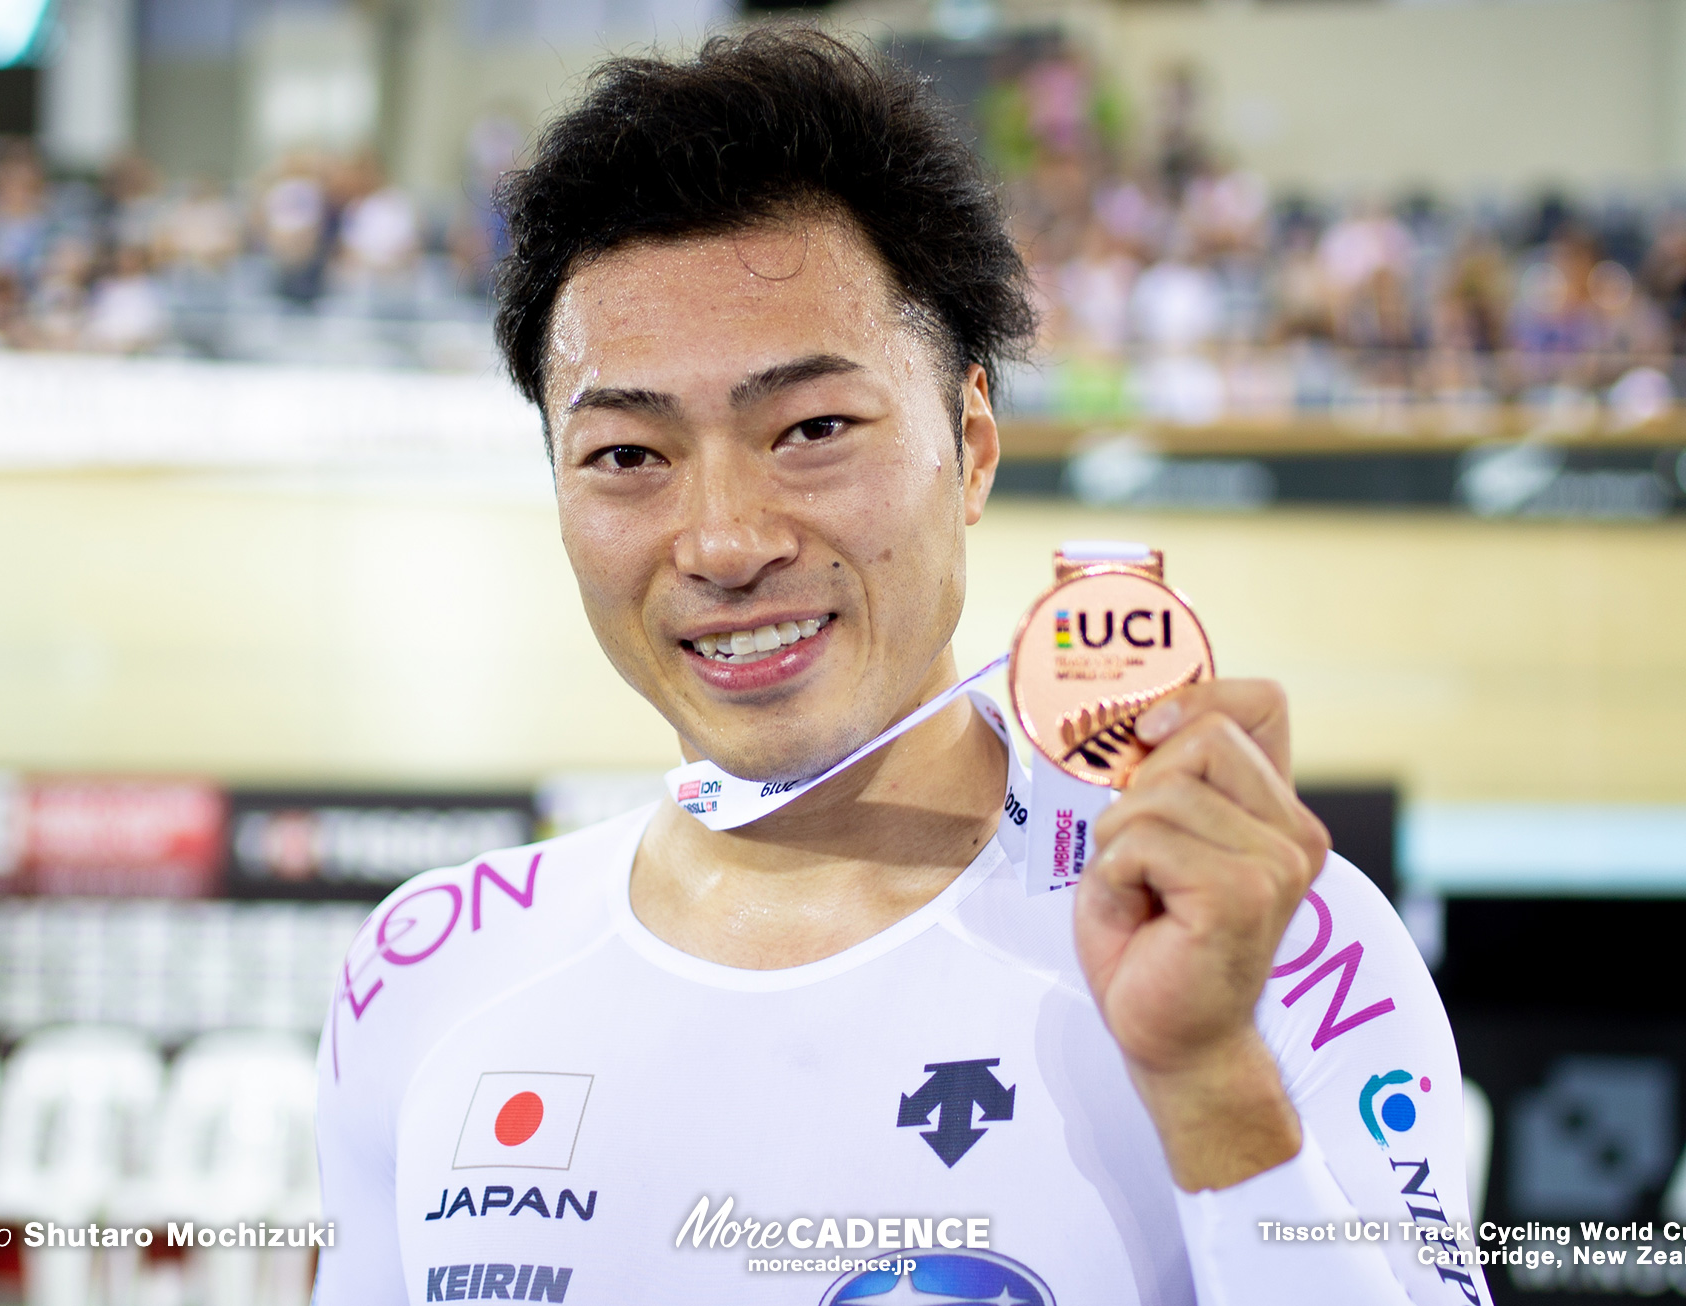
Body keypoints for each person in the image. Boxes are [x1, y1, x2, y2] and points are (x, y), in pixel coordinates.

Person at [315, 31, 1489, 1306]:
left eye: (813, 429)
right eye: (626, 455)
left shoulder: (1274, 943)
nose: (723, 543)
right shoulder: (428, 975)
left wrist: (1212, 1090)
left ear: (973, 444)